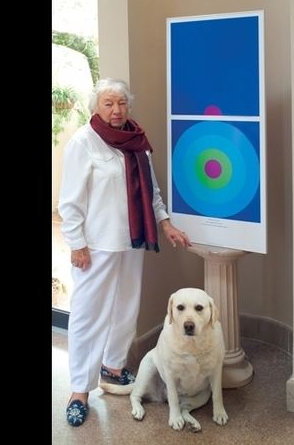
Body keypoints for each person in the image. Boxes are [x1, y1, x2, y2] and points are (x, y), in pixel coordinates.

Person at [57, 78, 192, 427]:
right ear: (96, 107)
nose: (116, 110)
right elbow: (69, 203)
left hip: (133, 240)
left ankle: (113, 367)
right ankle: (79, 391)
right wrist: (76, 244)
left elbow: (152, 192)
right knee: (89, 315)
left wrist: (166, 224)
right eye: (108, 104)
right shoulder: (82, 143)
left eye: (122, 103)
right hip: (96, 245)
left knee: (125, 307)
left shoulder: (137, 141)